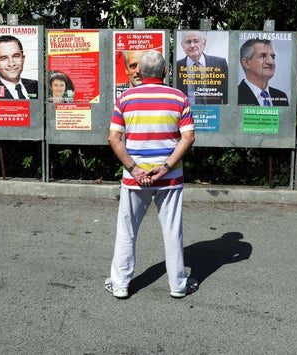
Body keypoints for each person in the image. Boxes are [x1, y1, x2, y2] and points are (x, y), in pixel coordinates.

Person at [105, 50, 198, 300]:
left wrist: (135, 169)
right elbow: (188, 137)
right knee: (172, 231)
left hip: (134, 180)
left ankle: (120, 284)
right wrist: (166, 167)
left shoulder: (125, 98)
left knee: (127, 230)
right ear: (166, 71)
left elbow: (114, 138)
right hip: (170, 178)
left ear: (140, 72)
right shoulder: (178, 97)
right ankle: (178, 285)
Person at [175, 31, 228, 104]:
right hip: (186, 113)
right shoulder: (177, 66)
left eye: (196, 41)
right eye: (188, 42)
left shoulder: (220, 64)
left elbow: (227, 94)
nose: (192, 45)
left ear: (204, 43)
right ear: (182, 45)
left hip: (213, 113)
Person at [237, 38, 289, 106]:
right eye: (263, 56)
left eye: (272, 57)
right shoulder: (235, 95)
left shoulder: (281, 96)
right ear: (246, 63)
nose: (271, 62)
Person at [0, 35, 38, 99]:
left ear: (23, 59)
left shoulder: (36, 85)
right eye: (4, 58)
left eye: (16, 56)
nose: (11, 64)